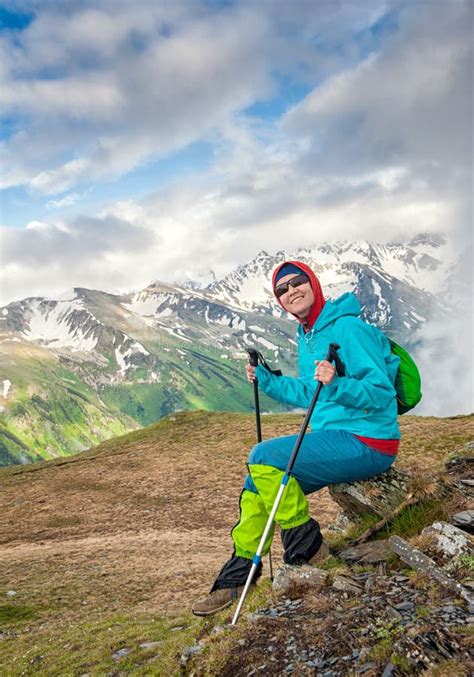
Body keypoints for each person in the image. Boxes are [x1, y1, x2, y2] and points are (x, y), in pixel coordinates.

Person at [192, 260, 400, 616]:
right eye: (282, 290)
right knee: (255, 482)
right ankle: (238, 576)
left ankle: (308, 546)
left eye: (296, 282)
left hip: (368, 441)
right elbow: (311, 392)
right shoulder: (309, 334)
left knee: (262, 456)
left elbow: (381, 393)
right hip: (336, 436)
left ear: (313, 283)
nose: (291, 292)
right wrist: (266, 380)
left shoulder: (348, 329)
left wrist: (338, 382)